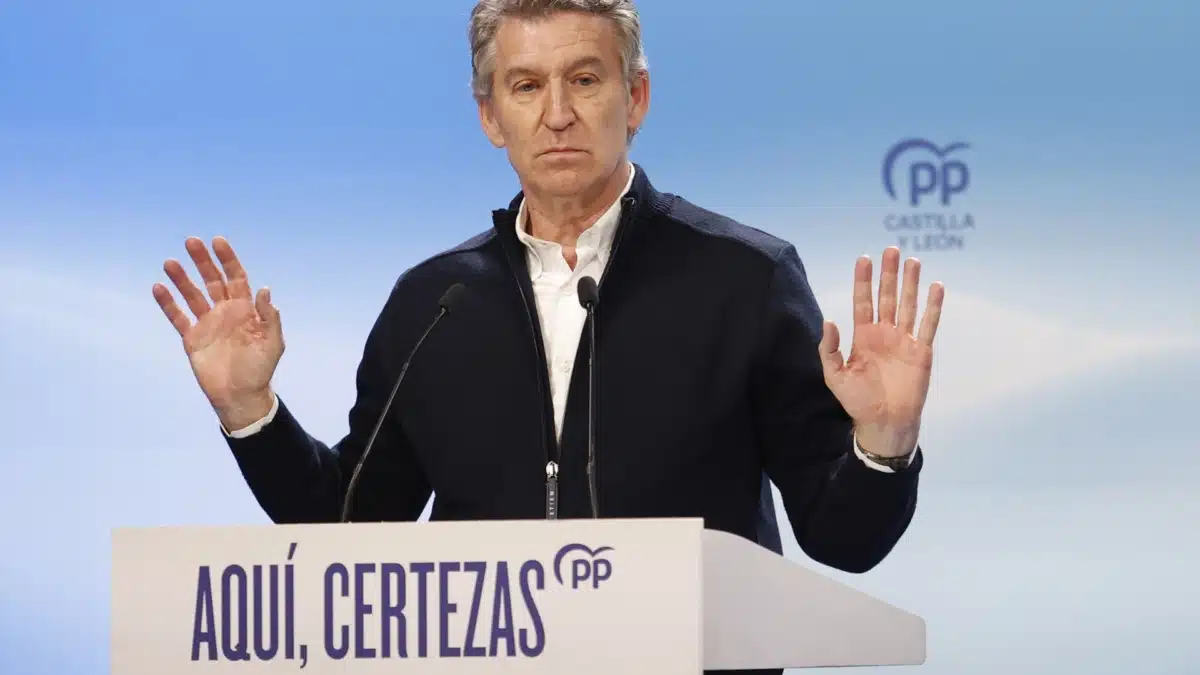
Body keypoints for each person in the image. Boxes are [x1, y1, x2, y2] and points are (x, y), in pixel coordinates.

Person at [153, 3, 943, 670]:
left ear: (636, 97)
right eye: (526, 85)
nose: (557, 113)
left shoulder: (746, 279)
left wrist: (885, 444)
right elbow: (351, 530)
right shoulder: (434, 303)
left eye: (585, 80)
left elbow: (844, 539)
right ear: (490, 115)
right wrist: (250, 411)